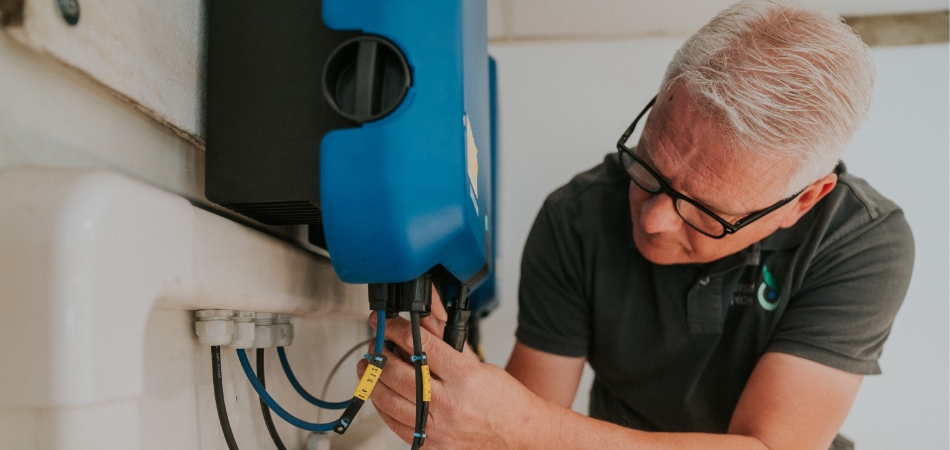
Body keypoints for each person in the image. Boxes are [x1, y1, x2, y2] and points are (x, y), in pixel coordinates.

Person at [359, 1, 914, 448]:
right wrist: (456, 394)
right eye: (648, 165)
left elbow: (770, 447)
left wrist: (521, 425)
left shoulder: (863, 241)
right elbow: (513, 425)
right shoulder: (575, 217)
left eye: (705, 211)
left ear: (804, 200)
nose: (652, 220)